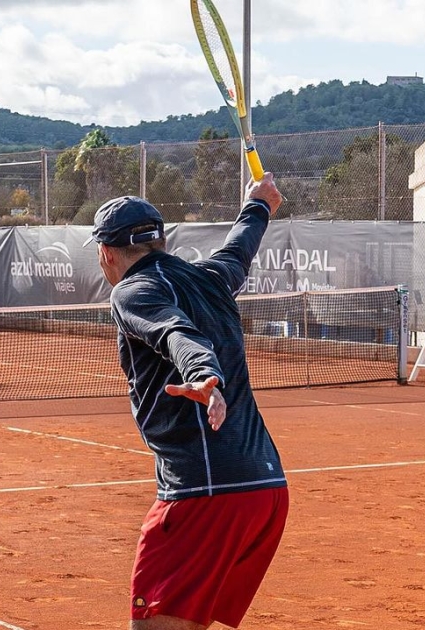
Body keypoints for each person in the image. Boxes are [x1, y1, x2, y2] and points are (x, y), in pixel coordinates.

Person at [85, 173, 288, 630]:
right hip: (265, 488)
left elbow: (175, 331)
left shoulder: (131, 291)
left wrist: (202, 376)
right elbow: (239, 250)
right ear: (160, 242)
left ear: (106, 253)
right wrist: (259, 205)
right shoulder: (210, 279)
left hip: (205, 492)